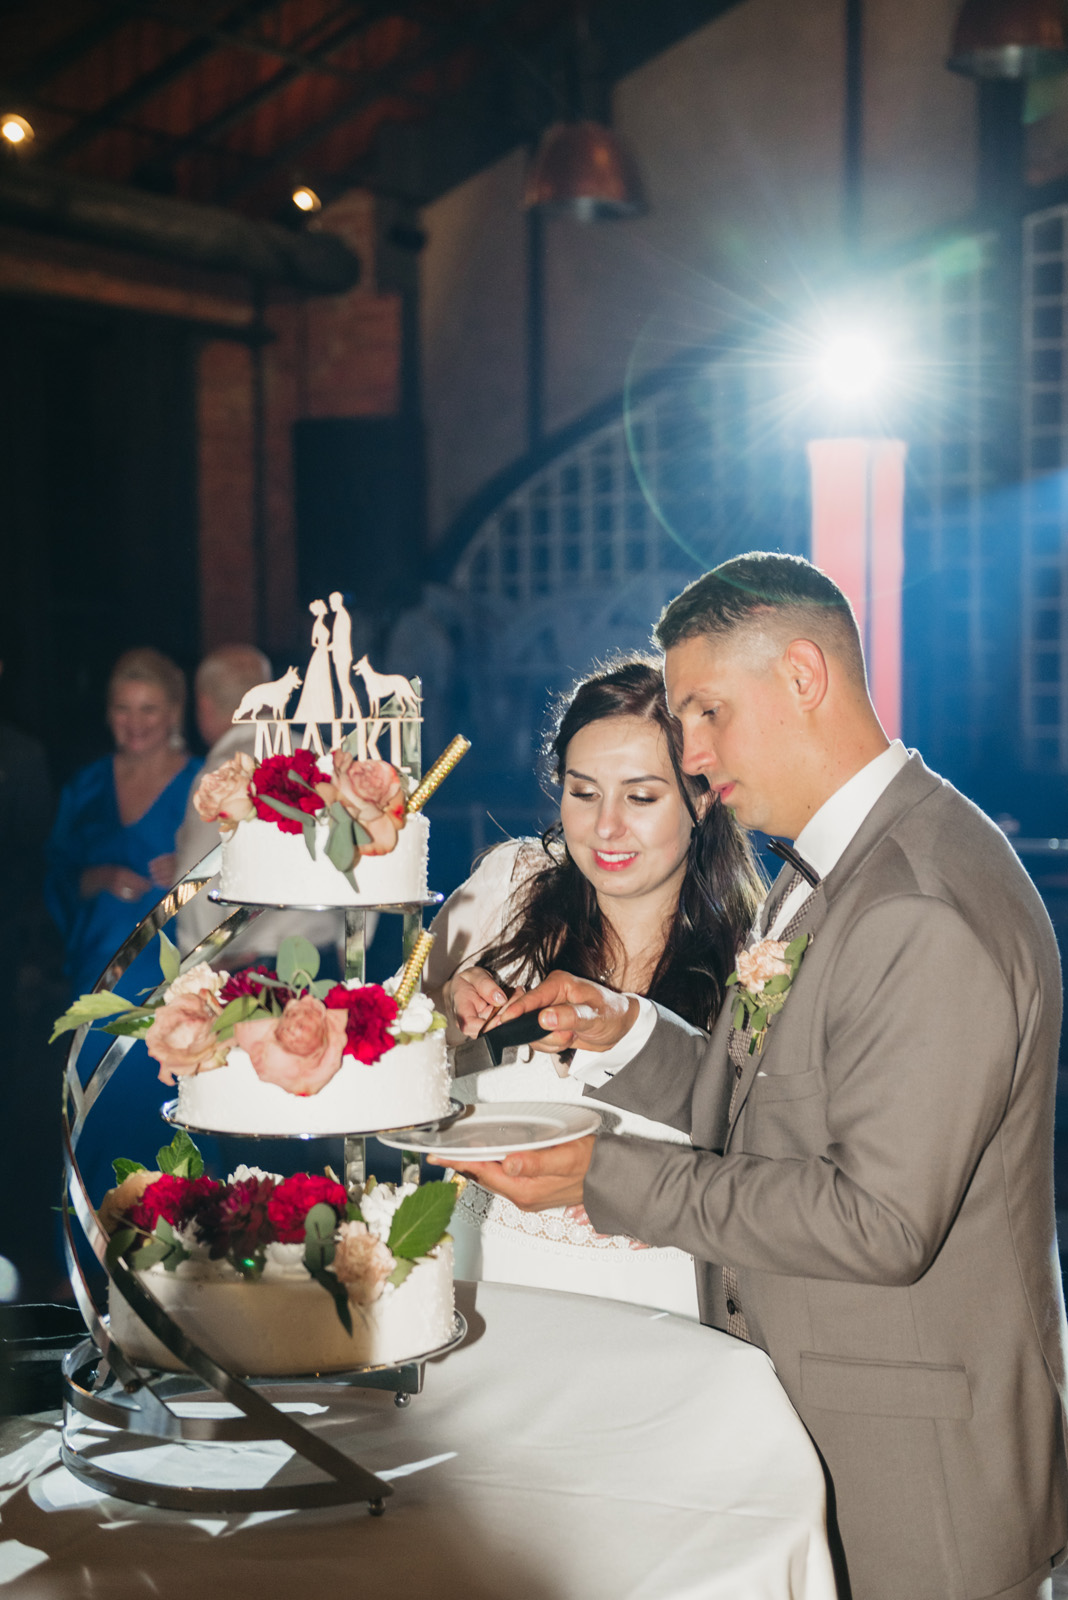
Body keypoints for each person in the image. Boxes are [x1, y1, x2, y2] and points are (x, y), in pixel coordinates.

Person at [435, 553, 1068, 1600]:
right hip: (814, 1426)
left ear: (803, 676)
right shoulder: (841, 864)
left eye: (707, 712)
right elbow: (769, 1104)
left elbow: (878, 1220)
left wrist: (601, 1172)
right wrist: (627, 1032)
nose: (693, 752)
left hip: (914, 1476)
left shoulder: (917, 901)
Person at [425, 658, 762, 1317]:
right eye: (583, 793)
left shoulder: (756, 955)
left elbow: (767, 1165)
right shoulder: (508, 889)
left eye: (641, 797)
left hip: (658, 1314)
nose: (606, 826)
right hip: (480, 1289)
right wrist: (446, 1015)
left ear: (701, 797)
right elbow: (387, 1057)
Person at [45, 648, 200, 998]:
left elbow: (242, 877)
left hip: (179, 977)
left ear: (174, 713)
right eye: (122, 708)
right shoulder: (86, 786)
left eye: (148, 709)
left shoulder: (206, 783)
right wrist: (95, 878)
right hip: (96, 972)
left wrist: (193, 868)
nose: (135, 722)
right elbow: (56, 873)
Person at [174, 644, 341, 962]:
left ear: (204, 705)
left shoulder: (224, 771)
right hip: (326, 958)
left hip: (256, 966)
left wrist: (197, 963)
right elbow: (365, 856)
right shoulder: (324, 758)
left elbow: (195, 874)